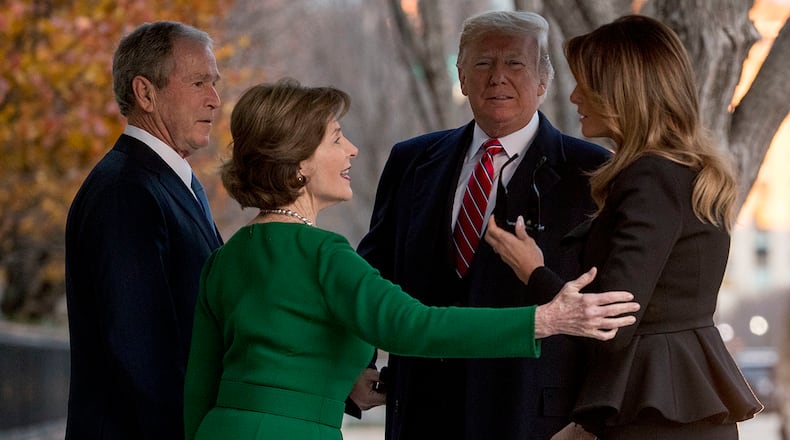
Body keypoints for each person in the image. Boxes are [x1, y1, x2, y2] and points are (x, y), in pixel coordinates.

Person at [181, 79, 640, 440]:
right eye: (337, 139)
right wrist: (543, 320)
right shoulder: (325, 256)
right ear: (298, 162)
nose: (352, 150)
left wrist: (346, 381)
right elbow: (417, 326)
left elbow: (200, 387)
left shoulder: (226, 257)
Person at [485, 15, 763, 440]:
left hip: (657, 420)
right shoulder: (681, 172)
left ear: (621, 92)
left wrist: (533, 272)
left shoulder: (650, 177)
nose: (575, 96)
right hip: (675, 411)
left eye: (586, 85)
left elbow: (613, 324)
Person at [356, 10, 611, 439]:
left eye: (515, 63)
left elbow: (609, 305)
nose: (497, 78)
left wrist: (596, 421)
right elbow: (369, 277)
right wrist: (358, 363)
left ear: (543, 79)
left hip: (536, 419)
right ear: (460, 75)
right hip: (423, 411)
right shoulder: (411, 161)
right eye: (482, 63)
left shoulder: (593, 173)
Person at [64, 21, 224, 439]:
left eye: (214, 83)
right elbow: (141, 352)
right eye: (198, 83)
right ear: (145, 93)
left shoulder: (173, 183)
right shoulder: (125, 191)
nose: (215, 99)